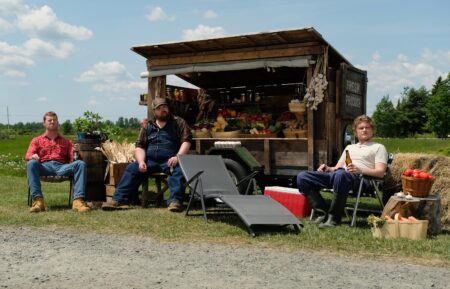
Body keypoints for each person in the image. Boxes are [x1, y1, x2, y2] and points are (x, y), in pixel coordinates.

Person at [102, 98, 192, 212]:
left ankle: (175, 202)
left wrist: (178, 157)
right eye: (159, 108)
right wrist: (141, 161)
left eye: (164, 107)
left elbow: (187, 140)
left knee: (179, 170)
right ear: (154, 111)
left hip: (170, 160)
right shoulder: (148, 126)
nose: (163, 110)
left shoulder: (178, 122)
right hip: (150, 161)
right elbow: (140, 146)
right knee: (131, 168)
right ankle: (118, 200)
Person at [296, 115, 388, 228]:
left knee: (341, 174)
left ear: (372, 130)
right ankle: (322, 213)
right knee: (303, 176)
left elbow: (380, 172)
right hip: (340, 175)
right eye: (361, 128)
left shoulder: (378, 147)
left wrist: (360, 169)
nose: (364, 130)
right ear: (355, 131)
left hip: (362, 179)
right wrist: (328, 168)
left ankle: (334, 218)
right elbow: (337, 167)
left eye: (368, 127)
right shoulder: (350, 147)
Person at [25, 111, 90, 213]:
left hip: (62, 167)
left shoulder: (67, 142)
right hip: (44, 167)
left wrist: (77, 151)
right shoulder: (36, 140)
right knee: (31, 163)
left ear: (58, 123)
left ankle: (78, 202)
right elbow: (28, 155)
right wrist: (33, 156)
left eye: (54, 120)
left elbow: (74, 160)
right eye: (49, 120)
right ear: (44, 123)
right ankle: (38, 202)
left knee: (81, 164)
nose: (52, 122)